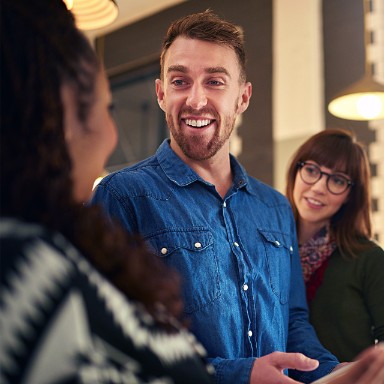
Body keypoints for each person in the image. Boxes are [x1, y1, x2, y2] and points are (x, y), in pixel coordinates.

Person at [0, 1, 215, 383]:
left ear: (244, 95)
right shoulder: (29, 267)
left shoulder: (58, 243)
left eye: (215, 81)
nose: (196, 100)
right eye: (108, 107)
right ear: (67, 114)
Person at [285, 128, 384, 362]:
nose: (319, 187)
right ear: (296, 172)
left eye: (337, 180)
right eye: (311, 170)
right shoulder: (264, 247)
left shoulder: (369, 259)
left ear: (350, 194)